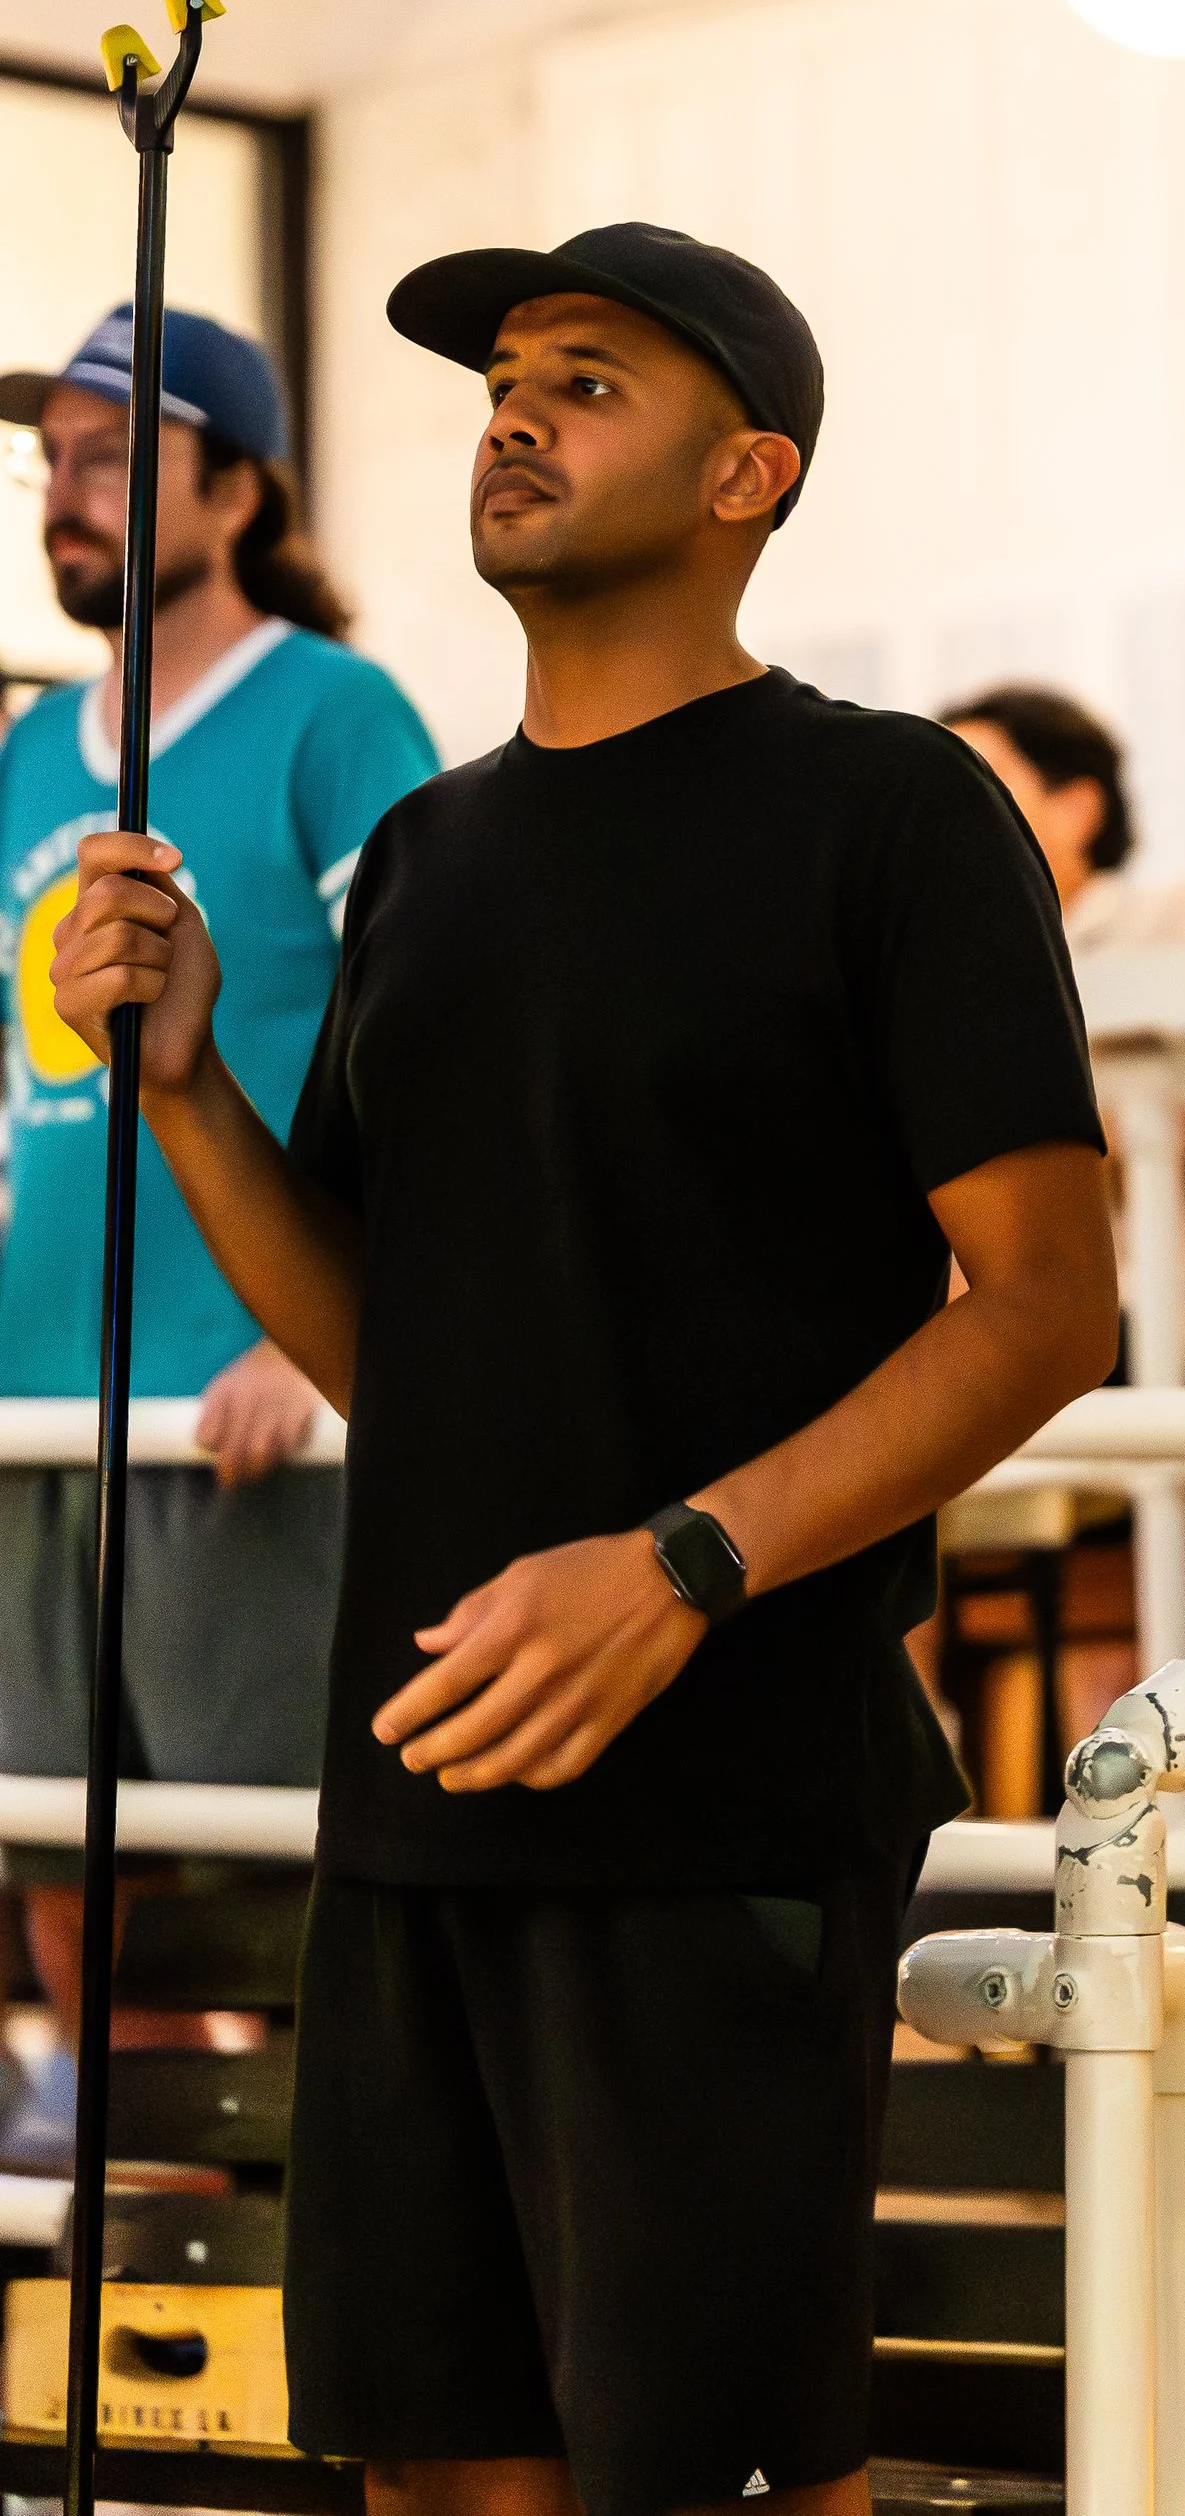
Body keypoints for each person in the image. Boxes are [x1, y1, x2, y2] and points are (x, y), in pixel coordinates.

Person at [51, 221, 1117, 2516]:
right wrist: (186, 1094)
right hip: (417, 1794)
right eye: (503, 377)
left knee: (712, 2478)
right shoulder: (427, 857)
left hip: (723, 1795)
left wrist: (686, 1563)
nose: (515, 411)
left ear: (753, 467)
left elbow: (1044, 1304)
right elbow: (385, 1342)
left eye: (589, 379)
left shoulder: (891, 809)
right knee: (437, 2471)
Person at [0, 304, 433, 2144]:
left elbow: (437, 1030)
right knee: (55, 1850)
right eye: (51, 465)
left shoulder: (337, 712)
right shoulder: (36, 745)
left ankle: (305, 2228)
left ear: (241, 486)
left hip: (238, 1403)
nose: (65, 497)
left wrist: (307, 1325)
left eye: (113, 457)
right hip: (33, 1399)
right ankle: (146, 2214)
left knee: (270, 1857)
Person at [944, 682, 1185, 1374]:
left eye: (977, 788)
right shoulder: (957, 963)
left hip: (1181, 1314)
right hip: (1026, 1315)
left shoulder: (1176, 920)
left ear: (1078, 807)